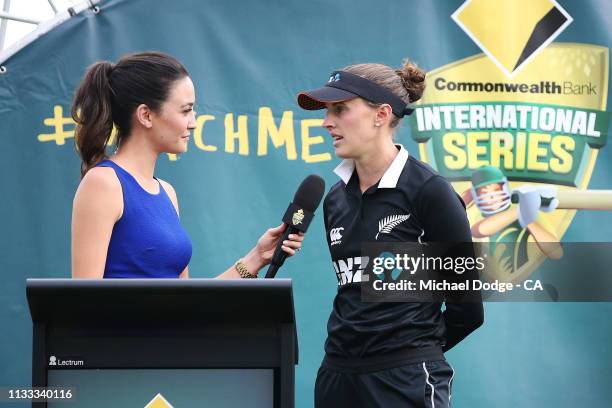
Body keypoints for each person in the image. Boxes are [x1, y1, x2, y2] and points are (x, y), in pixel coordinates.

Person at [297, 61, 484, 406]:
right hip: (336, 376)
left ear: (381, 115)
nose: (327, 122)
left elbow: (467, 310)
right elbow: (353, 292)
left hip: (404, 380)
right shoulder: (335, 199)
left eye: (340, 110)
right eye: (327, 112)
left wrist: (410, 352)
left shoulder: (429, 192)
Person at [71, 52, 303, 279]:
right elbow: (84, 303)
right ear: (146, 115)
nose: (193, 123)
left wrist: (257, 257)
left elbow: (188, 303)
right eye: (186, 110)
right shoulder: (103, 183)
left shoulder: (167, 193)